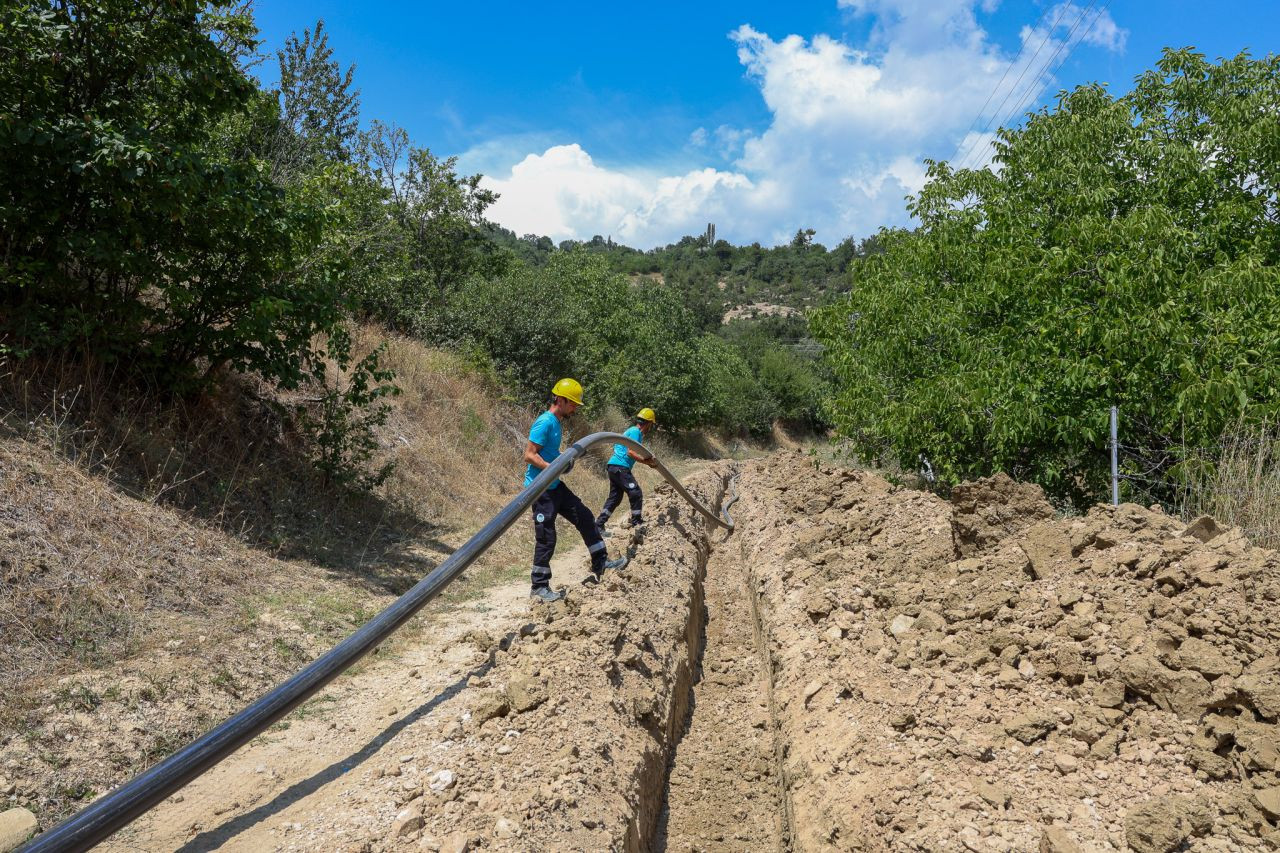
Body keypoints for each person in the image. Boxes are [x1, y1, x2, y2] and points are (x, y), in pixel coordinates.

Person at [522, 378, 627, 603]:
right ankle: (539, 587)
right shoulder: (545, 422)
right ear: (560, 399)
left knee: (585, 516)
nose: (575, 408)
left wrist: (562, 460)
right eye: (572, 403)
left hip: (554, 486)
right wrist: (553, 468)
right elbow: (529, 455)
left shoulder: (556, 422)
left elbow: (547, 452)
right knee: (546, 537)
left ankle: (600, 563)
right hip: (541, 489)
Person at [596, 407, 657, 537]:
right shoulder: (636, 432)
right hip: (620, 467)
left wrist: (648, 459)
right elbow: (630, 452)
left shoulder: (632, 430)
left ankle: (599, 525)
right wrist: (646, 462)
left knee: (615, 498)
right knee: (635, 492)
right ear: (649, 423)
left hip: (613, 466)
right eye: (651, 424)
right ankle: (637, 522)